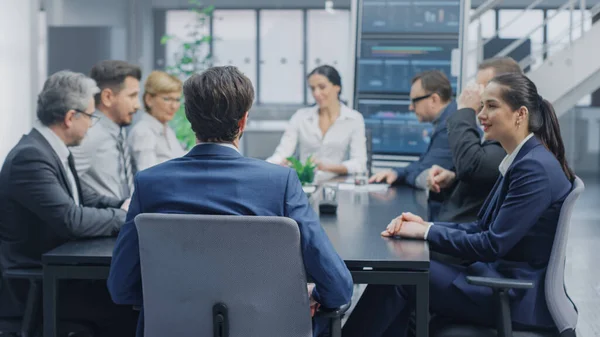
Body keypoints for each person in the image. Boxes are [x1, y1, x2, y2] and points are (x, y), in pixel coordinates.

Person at [107, 66, 353, 337]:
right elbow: (338, 287)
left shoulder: (150, 184)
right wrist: (311, 293)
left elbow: (121, 288)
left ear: (190, 119)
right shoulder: (279, 183)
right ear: (243, 122)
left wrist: (183, 302)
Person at [343, 73, 575, 336]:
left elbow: (491, 244)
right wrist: (426, 225)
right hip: (497, 281)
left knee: (401, 277)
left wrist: (427, 233)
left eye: (491, 106)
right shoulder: (522, 159)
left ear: (520, 114)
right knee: (401, 274)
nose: (481, 114)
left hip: (510, 294)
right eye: (482, 105)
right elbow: (481, 226)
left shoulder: (533, 168)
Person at [0, 71, 137, 336]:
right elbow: (72, 219)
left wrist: (127, 203)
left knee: (127, 294)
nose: (91, 124)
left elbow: (88, 198)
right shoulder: (30, 157)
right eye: (89, 116)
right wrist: (125, 218)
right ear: (70, 117)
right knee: (125, 303)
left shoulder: (52, 150)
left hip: (55, 270)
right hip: (34, 283)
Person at [427, 57, 523, 222]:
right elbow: (482, 176)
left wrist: (465, 110)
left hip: (465, 236)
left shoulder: (512, 141)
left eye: (483, 88)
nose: (478, 96)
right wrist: (453, 179)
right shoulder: (498, 135)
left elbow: (471, 166)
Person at [266, 65, 367, 182]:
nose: (316, 93)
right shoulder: (300, 117)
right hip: (305, 185)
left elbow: (359, 163)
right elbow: (282, 154)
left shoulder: (354, 119)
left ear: (337, 87)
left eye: (322, 87)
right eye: (313, 88)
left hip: (336, 185)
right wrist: (266, 167)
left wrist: (328, 167)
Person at [369, 70, 457, 189]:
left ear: (434, 100)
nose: (410, 107)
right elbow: (423, 162)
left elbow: (423, 174)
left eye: (414, 101)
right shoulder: (445, 122)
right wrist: (396, 173)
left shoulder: (450, 127)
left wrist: (405, 176)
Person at [71, 60, 142, 200]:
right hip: (105, 217)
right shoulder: (89, 134)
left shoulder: (117, 132)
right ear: (107, 97)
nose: (137, 105)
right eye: (132, 96)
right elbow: (63, 183)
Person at [128, 70, 186, 171]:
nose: (174, 106)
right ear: (149, 99)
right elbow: (148, 177)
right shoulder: (143, 132)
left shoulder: (167, 130)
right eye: (167, 99)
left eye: (177, 100)